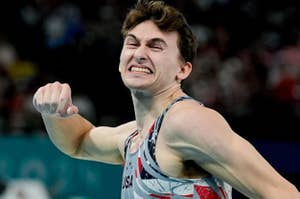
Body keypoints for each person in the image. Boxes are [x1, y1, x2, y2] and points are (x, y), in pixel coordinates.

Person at [32, 0, 300, 198]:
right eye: (133, 43)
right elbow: (78, 143)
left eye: (155, 46)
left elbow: (281, 193)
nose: (139, 53)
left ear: (183, 69)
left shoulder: (188, 121)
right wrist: (54, 112)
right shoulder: (135, 136)